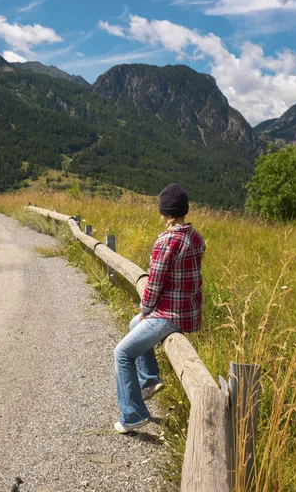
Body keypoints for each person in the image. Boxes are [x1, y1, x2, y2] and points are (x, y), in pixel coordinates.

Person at [114, 183, 206, 433]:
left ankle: (133, 415)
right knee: (135, 324)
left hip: (170, 314)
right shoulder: (195, 236)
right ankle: (149, 380)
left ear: (165, 213)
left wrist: (145, 309)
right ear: (184, 211)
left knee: (122, 353)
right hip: (189, 311)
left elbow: (153, 285)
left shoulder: (167, 241)